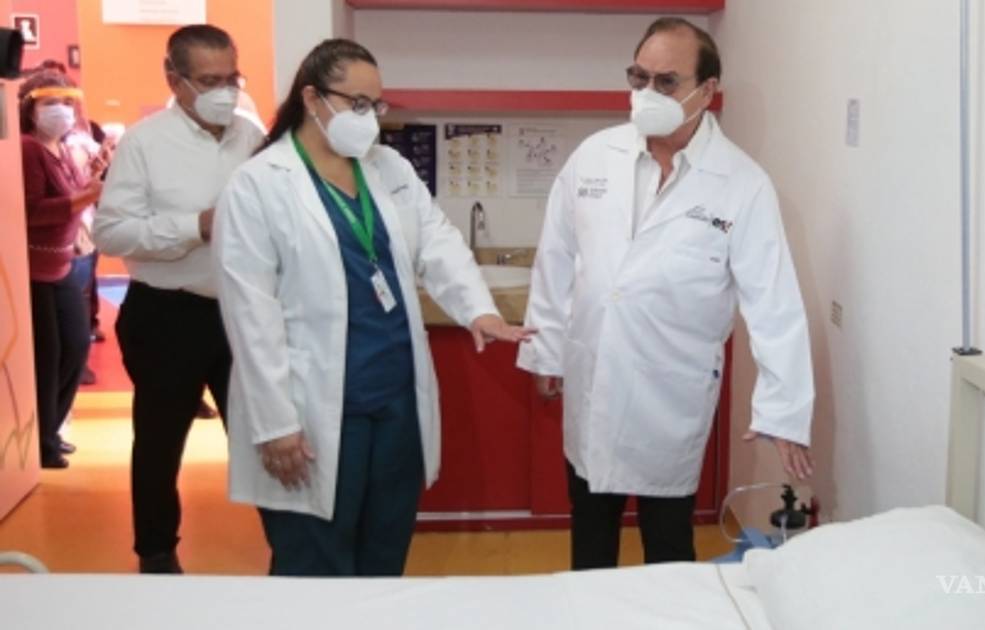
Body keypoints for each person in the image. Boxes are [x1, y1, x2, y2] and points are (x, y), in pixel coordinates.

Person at [214, 38, 534, 577]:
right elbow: (251, 314)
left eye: (375, 105)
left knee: (384, 552)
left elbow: (436, 239)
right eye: (357, 103)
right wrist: (275, 424)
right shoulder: (258, 185)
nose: (369, 117)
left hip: (393, 401)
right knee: (315, 563)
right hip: (312, 406)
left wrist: (478, 309)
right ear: (312, 98)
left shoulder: (387, 168)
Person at [517, 17, 817, 570]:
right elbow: (556, 258)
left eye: (666, 82)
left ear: (707, 90)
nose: (647, 93)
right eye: (639, 78)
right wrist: (547, 350)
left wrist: (783, 410)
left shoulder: (742, 183)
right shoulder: (594, 156)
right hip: (594, 377)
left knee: (669, 544)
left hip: (669, 391)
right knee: (591, 532)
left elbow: (774, 302)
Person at [94, 24, 263, 574]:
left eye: (232, 78)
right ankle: (156, 552)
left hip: (241, 312)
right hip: (167, 314)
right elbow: (111, 233)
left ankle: (290, 546)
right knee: (160, 442)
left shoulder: (251, 138)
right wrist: (195, 226)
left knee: (263, 434)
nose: (225, 92)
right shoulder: (144, 143)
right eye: (209, 81)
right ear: (175, 79)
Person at [19, 70, 101, 469]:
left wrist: (94, 179)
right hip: (35, 268)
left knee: (76, 346)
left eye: (68, 103)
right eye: (51, 103)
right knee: (47, 358)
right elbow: (32, 211)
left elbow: (79, 193)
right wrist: (85, 196)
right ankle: (41, 442)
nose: (61, 111)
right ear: (30, 108)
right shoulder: (28, 149)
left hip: (64, 263)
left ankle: (50, 430)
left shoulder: (65, 149)